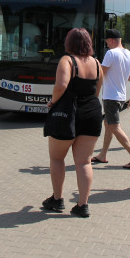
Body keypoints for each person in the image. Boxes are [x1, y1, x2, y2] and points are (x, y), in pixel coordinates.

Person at [42, 28, 103, 218]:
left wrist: (52, 102)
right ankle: (82, 204)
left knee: (57, 158)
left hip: (68, 113)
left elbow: (61, 85)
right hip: (92, 112)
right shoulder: (97, 63)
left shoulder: (67, 60)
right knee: (84, 161)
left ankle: (57, 199)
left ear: (69, 43)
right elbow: (97, 89)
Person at [91, 29, 130, 169]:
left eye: (107, 42)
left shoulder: (111, 53)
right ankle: (103, 155)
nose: (107, 45)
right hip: (121, 96)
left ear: (111, 40)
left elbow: (101, 74)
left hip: (111, 96)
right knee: (108, 125)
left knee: (114, 126)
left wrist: (96, 65)